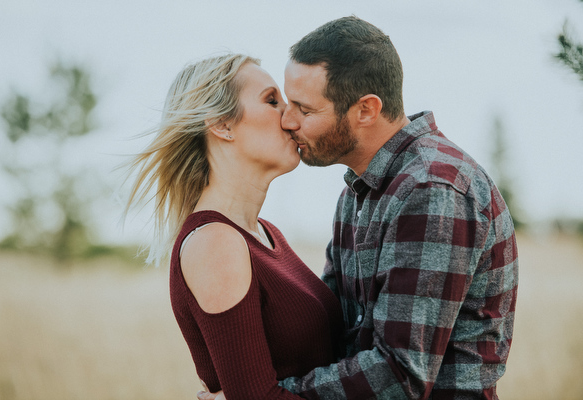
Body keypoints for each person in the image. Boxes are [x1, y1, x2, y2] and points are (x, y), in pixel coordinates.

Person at [201, 16, 518, 400]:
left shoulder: (433, 190)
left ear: (365, 110)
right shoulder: (358, 192)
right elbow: (335, 333)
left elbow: (400, 376)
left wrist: (266, 395)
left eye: (304, 109)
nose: (287, 120)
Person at [125, 54, 344, 399]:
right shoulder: (216, 242)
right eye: (272, 101)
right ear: (222, 125)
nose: (290, 117)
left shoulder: (266, 234)